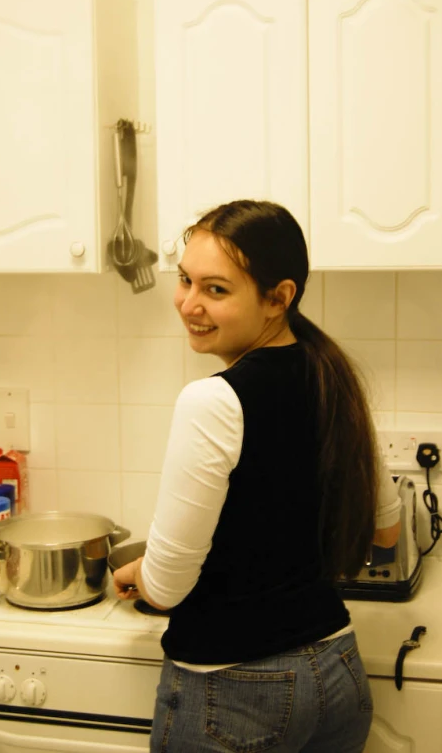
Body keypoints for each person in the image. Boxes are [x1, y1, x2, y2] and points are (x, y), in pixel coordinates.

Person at [113, 199, 401, 753]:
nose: (188, 304)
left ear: (279, 297)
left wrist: (140, 575)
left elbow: (169, 585)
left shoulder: (212, 400)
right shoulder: (333, 376)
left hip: (233, 691)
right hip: (336, 672)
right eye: (184, 280)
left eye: (216, 290)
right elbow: (384, 533)